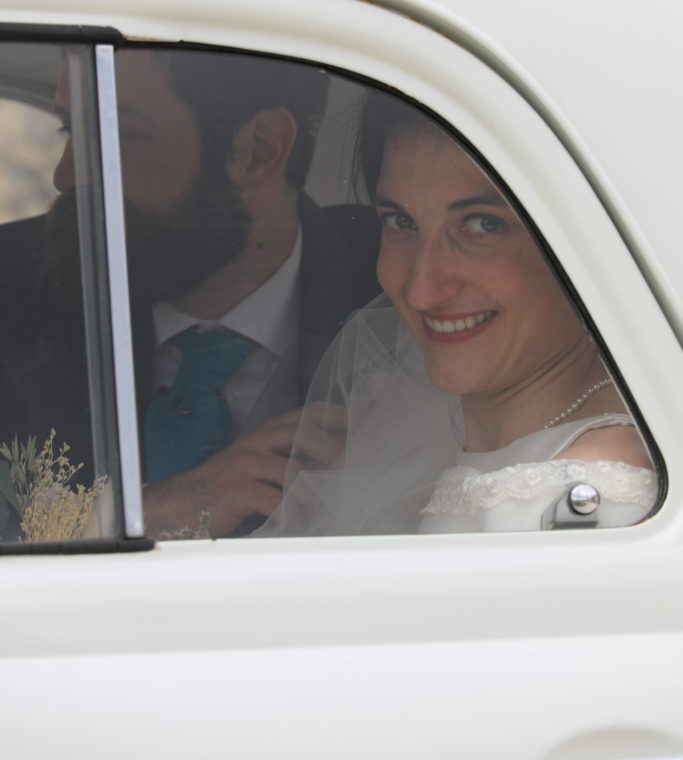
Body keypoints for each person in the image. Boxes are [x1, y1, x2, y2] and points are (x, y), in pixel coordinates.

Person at [0, 47, 380, 539]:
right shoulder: (9, 288)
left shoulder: (405, 284)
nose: (66, 175)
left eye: (118, 136)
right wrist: (144, 516)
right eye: (70, 129)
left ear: (258, 150)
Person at [267, 91, 657, 536]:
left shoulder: (583, 501)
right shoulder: (429, 460)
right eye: (400, 222)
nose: (421, 289)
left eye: (482, 224)